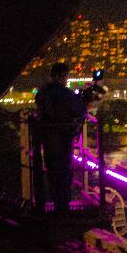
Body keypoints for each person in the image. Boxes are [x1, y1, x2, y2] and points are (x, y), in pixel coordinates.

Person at [34, 62, 88, 213]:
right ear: (60, 76)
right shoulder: (64, 94)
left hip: (47, 137)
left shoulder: (43, 92)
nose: (66, 80)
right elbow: (80, 110)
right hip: (62, 137)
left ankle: (54, 205)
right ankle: (63, 208)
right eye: (65, 77)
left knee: (52, 172)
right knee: (64, 173)